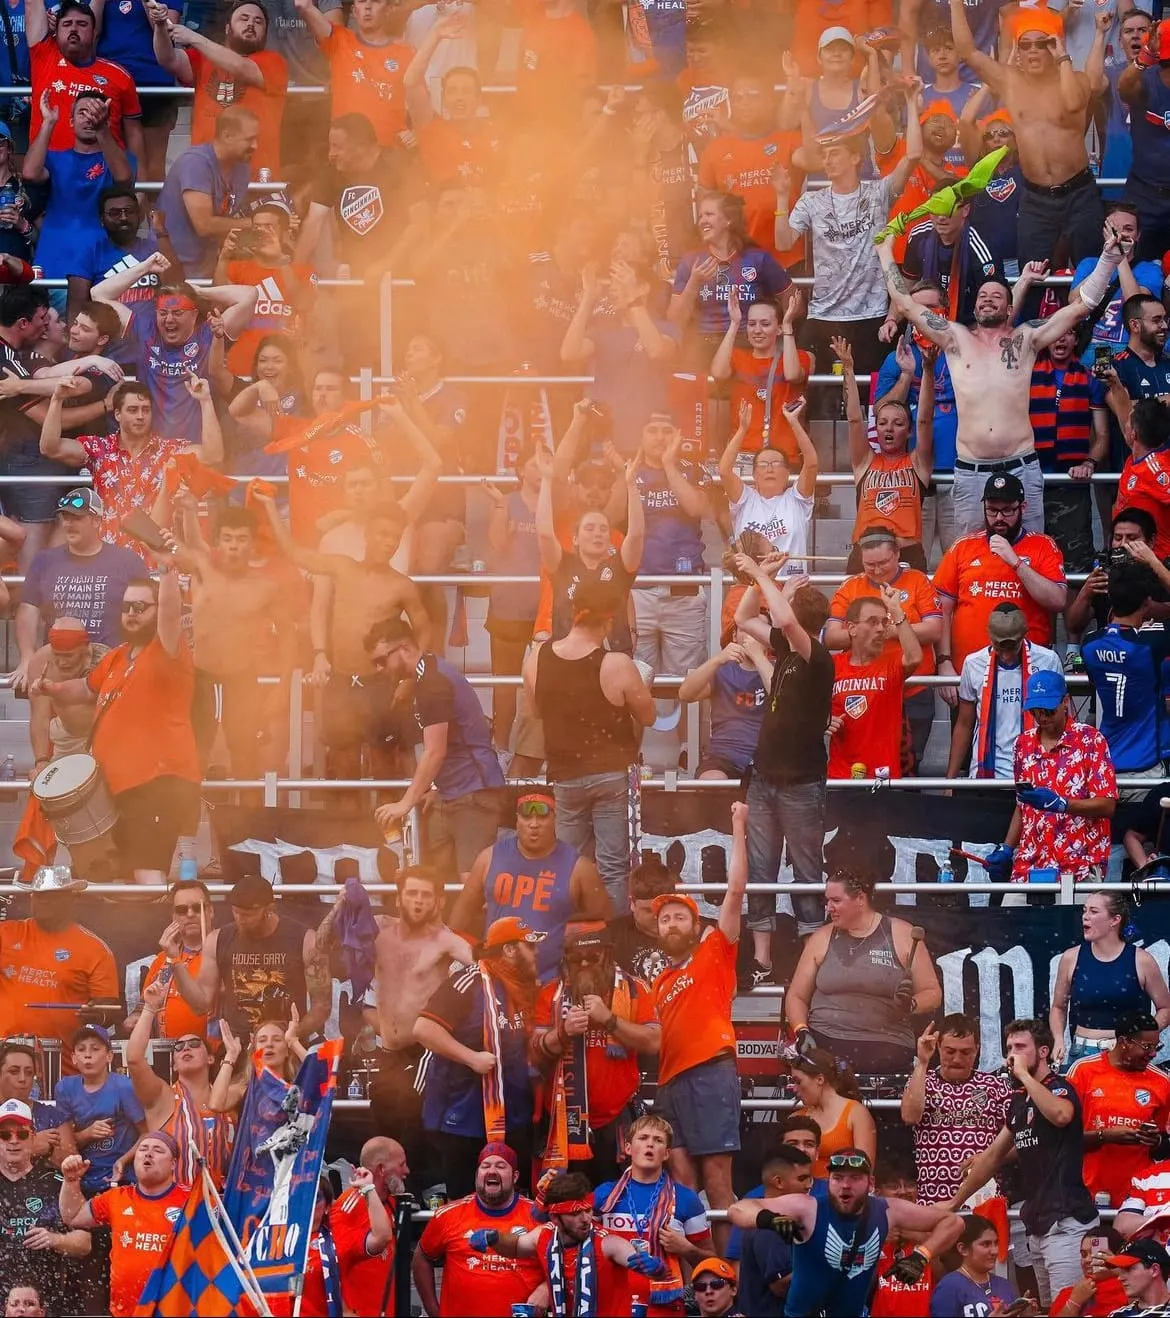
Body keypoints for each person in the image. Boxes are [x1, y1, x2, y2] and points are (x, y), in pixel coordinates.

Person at [878, 228, 1124, 535]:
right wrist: (884, 250)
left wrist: (1109, 259)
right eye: (982, 296)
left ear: (1010, 309)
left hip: (1021, 464)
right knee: (971, 563)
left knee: (1029, 555)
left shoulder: (1027, 337)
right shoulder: (955, 338)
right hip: (971, 470)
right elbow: (904, 303)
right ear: (975, 307)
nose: (987, 300)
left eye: (997, 296)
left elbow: (1081, 307)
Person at [32, 568, 198, 885]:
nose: (132, 613)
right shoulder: (119, 656)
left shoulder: (167, 651)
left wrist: (166, 570)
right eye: (126, 607)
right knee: (119, 875)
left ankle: (167, 930)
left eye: (141, 606)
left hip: (157, 783)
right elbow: (85, 689)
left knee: (147, 875)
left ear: (157, 610)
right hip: (120, 787)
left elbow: (171, 616)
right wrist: (53, 689)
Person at [257, 496, 431, 784]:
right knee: (341, 767)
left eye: (395, 537)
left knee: (385, 767)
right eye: (382, 534)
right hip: (340, 681)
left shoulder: (402, 586)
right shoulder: (342, 567)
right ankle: (346, 830)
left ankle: (388, 830)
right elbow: (293, 553)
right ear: (367, 534)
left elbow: (425, 631)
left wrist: (410, 677)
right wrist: (270, 508)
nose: (388, 542)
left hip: (380, 686)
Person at [317, 868, 467, 1177]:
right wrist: (340, 906)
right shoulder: (379, 930)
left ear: (438, 902)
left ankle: (420, 1200)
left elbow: (484, 969)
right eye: (412, 893)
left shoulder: (446, 941)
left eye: (426, 895)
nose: (418, 901)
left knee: (414, 1126)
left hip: (424, 1051)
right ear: (399, 897)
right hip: (387, 1052)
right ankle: (386, 1198)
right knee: (384, 1132)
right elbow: (323, 944)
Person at [772, 85, 924, 378]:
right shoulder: (811, 200)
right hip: (824, 313)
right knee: (814, 394)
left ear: (855, 158)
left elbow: (913, 155)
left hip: (871, 314)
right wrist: (781, 196)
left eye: (835, 154)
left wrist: (910, 102)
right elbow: (783, 242)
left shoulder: (879, 193)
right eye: (825, 155)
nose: (827, 160)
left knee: (869, 397)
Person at [650, 801, 748, 1252]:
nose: (671, 922)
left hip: (711, 1071)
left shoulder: (715, 952)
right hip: (669, 1082)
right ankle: (695, 1278)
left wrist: (738, 824)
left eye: (680, 916)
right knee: (683, 1188)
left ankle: (729, 1276)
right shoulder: (659, 979)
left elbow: (735, 890)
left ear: (695, 923)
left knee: (718, 1182)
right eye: (664, 918)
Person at [947, 1019, 1099, 1310]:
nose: (1011, 1055)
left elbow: (1061, 1115)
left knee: (1070, 1307)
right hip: (1038, 1222)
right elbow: (991, 1158)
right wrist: (954, 1202)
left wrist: (1024, 1076)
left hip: (1068, 1221)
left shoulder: (1060, 1087)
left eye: (1020, 1047)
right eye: (1008, 1048)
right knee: (1046, 1310)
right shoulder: (1019, 1101)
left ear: (1043, 1052)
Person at [525, 579, 655, 912]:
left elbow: (535, 710)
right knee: (613, 868)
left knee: (566, 866)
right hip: (610, 773)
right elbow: (649, 715)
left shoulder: (537, 658)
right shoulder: (616, 664)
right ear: (608, 620)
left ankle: (568, 939)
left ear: (572, 613)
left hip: (565, 774)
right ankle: (612, 942)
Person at [732, 559, 832, 967]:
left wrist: (760, 575)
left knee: (807, 874)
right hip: (765, 778)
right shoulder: (789, 654)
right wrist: (763, 581)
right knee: (761, 871)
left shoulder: (817, 657)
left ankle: (811, 962)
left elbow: (786, 621)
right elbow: (742, 616)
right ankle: (762, 962)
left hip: (800, 784)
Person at [949, 0, 1101, 268]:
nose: (1033, 51)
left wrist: (1062, 57)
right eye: (1025, 45)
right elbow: (967, 50)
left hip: (1079, 193)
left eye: (1041, 44)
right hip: (1035, 198)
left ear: (1055, 45)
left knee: (1091, 274)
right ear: (1017, 50)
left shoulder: (1076, 78)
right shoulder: (1010, 82)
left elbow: (1075, 103)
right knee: (1031, 275)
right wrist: (955, 3)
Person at [730, 1149, 963, 1318]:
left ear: (870, 1183)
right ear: (828, 1180)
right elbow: (738, 1209)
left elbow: (953, 1222)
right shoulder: (809, 1207)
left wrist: (922, 1255)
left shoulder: (888, 1210)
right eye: (838, 1178)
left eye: (855, 1178)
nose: (845, 1185)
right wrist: (767, 1219)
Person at [364, 616, 507, 882]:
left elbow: (435, 751)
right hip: (454, 790)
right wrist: (435, 788)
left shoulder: (432, 682)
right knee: (433, 880)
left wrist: (405, 802)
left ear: (404, 649)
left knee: (471, 883)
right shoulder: (427, 674)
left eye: (382, 660)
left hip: (473, 792)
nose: (379, 668)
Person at [414, 916, 543, 1196]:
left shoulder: (523, 987)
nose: (536, 954)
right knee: (465, 1202)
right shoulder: (468, 981)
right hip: (464, 1120)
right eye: (529, 947)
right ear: (509, 950)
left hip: (513, 1118)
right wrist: (471, 1058)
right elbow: (424, 1029)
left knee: (512, 1203)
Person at [531, 924, 659, 1179]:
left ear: (608, 955)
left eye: (593, 955)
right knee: (565, 1204)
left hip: (617, 1119)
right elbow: (533, 1053)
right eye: (577, 958)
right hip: (562, 1119)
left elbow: (654, 1042)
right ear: (566, 960)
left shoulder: (635, 989)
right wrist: (563, 1032)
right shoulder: (550, 994)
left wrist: (610, 1019)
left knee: (616, 1203)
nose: (586, 963)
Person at [785, 871, 943, 1074]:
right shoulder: (822, 937)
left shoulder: (902, 933)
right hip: (826, 1040)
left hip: (887, 1043)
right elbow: (796, 996)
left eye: (836, 900)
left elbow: (933, 992)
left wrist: (911, 1004)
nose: (828, 907)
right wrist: (802, 1031)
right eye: (827, 901)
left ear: (860, 899)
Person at [39, 376, 225, 546]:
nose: (140, 416)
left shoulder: (169, 450)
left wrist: (205, 401)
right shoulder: (99, 448)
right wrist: (56, 400)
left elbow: (213, 455)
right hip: (110, 559)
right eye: (133, 410)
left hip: (156, 558)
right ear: (117, 414)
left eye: (146, 410)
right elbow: (50, 447)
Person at [932, 473, 1067, 700]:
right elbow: (942, 609)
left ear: (1022, 507)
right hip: (971, 673)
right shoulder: (963, 547)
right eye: (992, 510)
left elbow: (1058, 601)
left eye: (1007, 511)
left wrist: (1015, 562)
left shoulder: (1043, 546)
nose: (999, 518)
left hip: (1028, 672)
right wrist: (944, 662)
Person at [452, 791, 612, 983]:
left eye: (542, 816)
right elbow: (460, 917)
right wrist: (466, 958)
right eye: (526, 816)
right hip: (495, 979)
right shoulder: (489, 858)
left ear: (555, 818)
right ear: (517, 819)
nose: (533, 824)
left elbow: (604, 928)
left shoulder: (580, 868)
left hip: (552, 983)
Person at [466, 1170, 668, 1313]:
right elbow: (517, 1246)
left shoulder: (609, 1243)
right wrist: (494, 1237)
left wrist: (656, 1268)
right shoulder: (543, 1235)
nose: (586, 1219)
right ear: (555, 1218)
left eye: (588, 1210)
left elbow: (637, 1260)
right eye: (576, 1213)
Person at [986, 670, 1117, 887]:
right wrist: (1007, 848)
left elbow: (1107, 805)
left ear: (1065, 701)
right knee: (1013, 919)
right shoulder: (1023, 743)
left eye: (1048, 711)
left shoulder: (1091, 740)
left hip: (1078, 864)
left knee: (1076, 921)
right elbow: (1023, 804)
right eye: (1035, 712)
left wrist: (1062, 804)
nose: (1042, 718)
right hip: (1030, 862)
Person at [168, 872, 326, 1039]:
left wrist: (292, 1036)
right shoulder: (217, 940)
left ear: (270, 909)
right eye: (236, 913)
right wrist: (175, 961)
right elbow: (200, 1005)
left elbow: (322, 1007)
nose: (241, 920)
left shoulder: (305, 940)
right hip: (238, 1049)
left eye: (248, 915)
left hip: (287, 1048)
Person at [15, 489, 147, 677]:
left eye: (76, 518)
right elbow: (29, 608)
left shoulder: (127, 562)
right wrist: (27, 657)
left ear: (96, 521)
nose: (68, 524)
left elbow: (147, 614)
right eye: (65, 518)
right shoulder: (44, 561)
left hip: (112, 667)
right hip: (60, 666)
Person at [150, 0, 288, 178]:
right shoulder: (204, 57)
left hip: (256, 179)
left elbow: (242, 67)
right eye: (244, 18)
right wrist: (161, 27)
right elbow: (167, 59)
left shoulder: (275, 62)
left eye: (258, 21)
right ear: (227, 28)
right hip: (205, 178)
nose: (251, 24)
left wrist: (193, 37)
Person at [594, 1113, 714, 1313]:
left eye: (658, 1140)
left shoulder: (686, 1199)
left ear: (666, 1153)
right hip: (611, 1303)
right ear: (628, 1148)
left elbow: (711, 1262)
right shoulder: (604, 1194)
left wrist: (686, 1249)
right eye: (643, 1138)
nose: (650, 1145)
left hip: (663, 1306)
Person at [59, 1132, 187, 1318]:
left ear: (173, 1164)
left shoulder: (193, 1200)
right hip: (125, 1312)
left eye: (158, 1150)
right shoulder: (117, 1198)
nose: (148, 1154)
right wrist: (71, 1181)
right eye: (143, 1149)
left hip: (175, 1310)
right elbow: (73, 1216)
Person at [412, 1143, 543, 1318]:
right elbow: (422, 1258)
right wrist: (434, 1311)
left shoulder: (538, 1216)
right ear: (477, 1175)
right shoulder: (449, 1215)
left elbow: (565, 1260)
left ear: (515, 1176)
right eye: (485, 1166)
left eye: (501, 1166)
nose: (492, 1171)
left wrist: (547, 1290)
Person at [124, 981, 233, 1188]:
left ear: (210, 1059)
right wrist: (149, 1009)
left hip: (222, 1206)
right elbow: (134, 1059)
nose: (185, 1049)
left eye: (194, 1044)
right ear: (173, 1064)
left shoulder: (228, 1096)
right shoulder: (162, 1097)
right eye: (179, 1047)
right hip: (174, 1208)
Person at [0, 865, 118, 1049]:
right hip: (6, 1061)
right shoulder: (6, 934)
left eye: (51, 896)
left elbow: (108, 1009)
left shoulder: (95, 949)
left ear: (70, 899)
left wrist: (97, 1016)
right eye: (38, 895)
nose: (42, 901)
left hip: (62, 1064)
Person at [839, 338, 933, 570]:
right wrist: (848, 369)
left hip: (907, 554)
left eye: (898, 423)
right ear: (876, 428)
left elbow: (924, 419)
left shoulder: (918, 462)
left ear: (909, 431)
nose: (889, 428)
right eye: (882, 423)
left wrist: (927, 371)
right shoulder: (865, 461)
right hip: (865, 553)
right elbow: (853, 420)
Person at [900, 1014, 1013, 1205]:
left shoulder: (995, 1086)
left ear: (977, 1050)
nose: (957, 1059)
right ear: (938, 1047)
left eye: (966, 1052)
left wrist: (988, 1158)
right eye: (950, 1051)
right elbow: (910, 1116)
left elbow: (1021, 1140)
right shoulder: (921, 1081)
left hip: (984, 1198)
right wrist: (923, 1062)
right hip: (933, 1200)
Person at [24, 91, 133, 285]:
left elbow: (123, 178)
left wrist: (102, 130)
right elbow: (30, 173)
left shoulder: (119, 158)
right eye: (82, 112)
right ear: (71, 121)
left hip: (101, 254)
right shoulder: (55, 158)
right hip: (54, 252)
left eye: (95, 113)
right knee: (47, 315)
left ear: (106, 120)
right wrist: (48, 122)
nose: (89, 118)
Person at [1050, 893, 1170, 1068]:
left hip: (1125, 1052)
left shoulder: (1142, 960)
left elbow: (1166, 1008)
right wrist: (1058, 1039)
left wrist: (1142, 1037)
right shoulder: (1071, 957)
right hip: (1083, 1053)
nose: (1085, 916)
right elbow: (1058, 1007)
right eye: (1084, 911)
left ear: (1114, 920)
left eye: (1094, 911)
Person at [947, 602, 1063, 780]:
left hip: (1038, 775)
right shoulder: (973, 663)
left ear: (1024, 636)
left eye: (1012, 648)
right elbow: (964, 724)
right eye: (1000, 648)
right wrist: (950, 781)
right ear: (990, 637)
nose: (1007, 656)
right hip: (986, 776)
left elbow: (1062, 721)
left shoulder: (1048, 660)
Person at [1068, 1012, 1170, 1210]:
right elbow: (1062, 1140)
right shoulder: (1083, 1071)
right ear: (1124, 1042)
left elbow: (1163, 1144)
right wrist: (1104, 1136)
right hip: (1087, 1193)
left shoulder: (1162, 1082)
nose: (1153, 1054)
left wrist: (1155, 1141)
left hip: (1138, 1196)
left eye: (1156, 1047)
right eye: (1147, 1047)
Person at [826, 581, 924, 780]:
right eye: (872, 622)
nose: (881, 628)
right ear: (852, 628)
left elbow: (914, 657)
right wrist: (822, 720)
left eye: (883, 622)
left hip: (883, 776)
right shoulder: (831, 666)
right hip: (840, 774)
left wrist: (897, 612)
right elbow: (805, 705)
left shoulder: (891, 664)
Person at [0, 1098, 90, 1311]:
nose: (13, 1141)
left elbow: (85, 1242)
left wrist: (55, 1239)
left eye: (21, 1134)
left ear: (32, 1138)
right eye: (4, 1135)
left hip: (47, 1303)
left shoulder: (55, 1182)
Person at [26, 0, 143, 160]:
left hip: (102, 176)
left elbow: (134, 134)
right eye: (67, 24)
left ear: (94, 32)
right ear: (56, 31)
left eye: (82, 24)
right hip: (49, 172)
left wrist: (141, 181)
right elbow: (32, 3)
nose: (74, 29)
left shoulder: (120, 75)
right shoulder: (43, 55)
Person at [155, 106, 258, 278]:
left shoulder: (242, 167)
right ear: (227, 136)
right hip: (170, 264)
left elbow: (226, 219)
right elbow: (204, 225)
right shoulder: (196, 163)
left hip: (208, 263)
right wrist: (256, 224)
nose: (256, 146)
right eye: (249, 139)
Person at [711, 293, 811, 466]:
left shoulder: (798, 356)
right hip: (743, 455)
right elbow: (718, 373)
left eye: (765, 324)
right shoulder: (737, 357)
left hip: (783, 457)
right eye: (751, 324)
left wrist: (788, 325)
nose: (757, 330)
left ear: (778, 328)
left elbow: (793, 375)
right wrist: (734, 324)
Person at [52, 1023, 144, 1194]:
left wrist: (123, 1161)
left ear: (109, 1056)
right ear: (73, 1058)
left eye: (95, 1049)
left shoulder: (124, 1086)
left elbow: (147, 1133)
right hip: (81, 1177)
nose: (88, 1055)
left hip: (121, 1178)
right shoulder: (64, 1088)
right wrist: (87, 1134)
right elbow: (63, 1146)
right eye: (81, 1049)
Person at [720, 399, 818, 560]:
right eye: (763, 464)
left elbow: (812, 464)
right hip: (751, 583)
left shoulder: (797, 499)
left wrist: (793, 422)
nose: (770, 469)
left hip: (790, 583)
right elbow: (724, 471)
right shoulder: (746, 499)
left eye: (776, 464)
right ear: (754, 475)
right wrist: (743, 429)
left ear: (787, 473)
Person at [679, 627, 772, 781]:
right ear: (734, 636)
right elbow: (685, 694)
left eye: (758, 628)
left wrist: (759, 658)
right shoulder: (723, 670)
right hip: (723, 758)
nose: (753, 634)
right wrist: (718, 659)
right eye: (747, 629)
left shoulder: (778, 670)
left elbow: (785, 698)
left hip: (767, 759)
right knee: (711, 779)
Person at [734, 1147, 815, 1317]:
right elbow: (781, 1285)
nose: (808, 1185)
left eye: (809, 1178)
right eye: (802, 1179)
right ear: (778, 1182)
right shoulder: (772, 1224)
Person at [131, 878, 214, 1042]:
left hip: (214, 1057)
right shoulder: (162, 960)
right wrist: (134, 1018)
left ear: (210, 911)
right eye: (182, 910)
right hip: (170, 1056)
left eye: (197, 908)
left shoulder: (223, 954)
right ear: (174, 916)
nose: (190, 914)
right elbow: (143, 1006)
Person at [24, 616, 106, 772]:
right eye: (57, 655)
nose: (62, 662)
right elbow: (40, 717)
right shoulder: (40, 662)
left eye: (68, 656)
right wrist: (41, 761)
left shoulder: (105, 660)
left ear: (84, 648)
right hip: (63, 740)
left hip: (99, 736)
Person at [789, 1049, 877, 1178]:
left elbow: (865, 1171)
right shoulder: (795, 1118)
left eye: (798, 1081)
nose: (794, 1089)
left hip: (843, 1195)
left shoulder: (856, 1113)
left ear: (819, 1079)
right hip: (803, 1195)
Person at [930, 1215, 1028, 1316]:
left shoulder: (1004, 1285)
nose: (995, 1251)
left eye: (996, 1243)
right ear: (963, 1249)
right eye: (986, 1244)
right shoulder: (949, 1286)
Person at [1113, 397, 1170, 559]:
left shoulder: (1158, 469)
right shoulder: (1134, 460)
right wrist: (1115, 384)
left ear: (1133, 433)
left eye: (1128, 421)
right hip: (1130, 561)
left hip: (1157, 566)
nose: (1124, 423)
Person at [1049, 1228, 1130, 1317]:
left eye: (1095, 1253)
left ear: (1116, 1255)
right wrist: (1074, 1302)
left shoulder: (1131, 1289)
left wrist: (1119, 1267)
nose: (1087, 1260)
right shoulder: (1068, 1294)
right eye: (1084, 1254)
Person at [1106, 1239, 1170, 1312]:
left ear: (1154, 1270)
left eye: (1128, 1269)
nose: (1120, 1278)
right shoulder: (1118, 1315)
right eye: (1121, 1271)